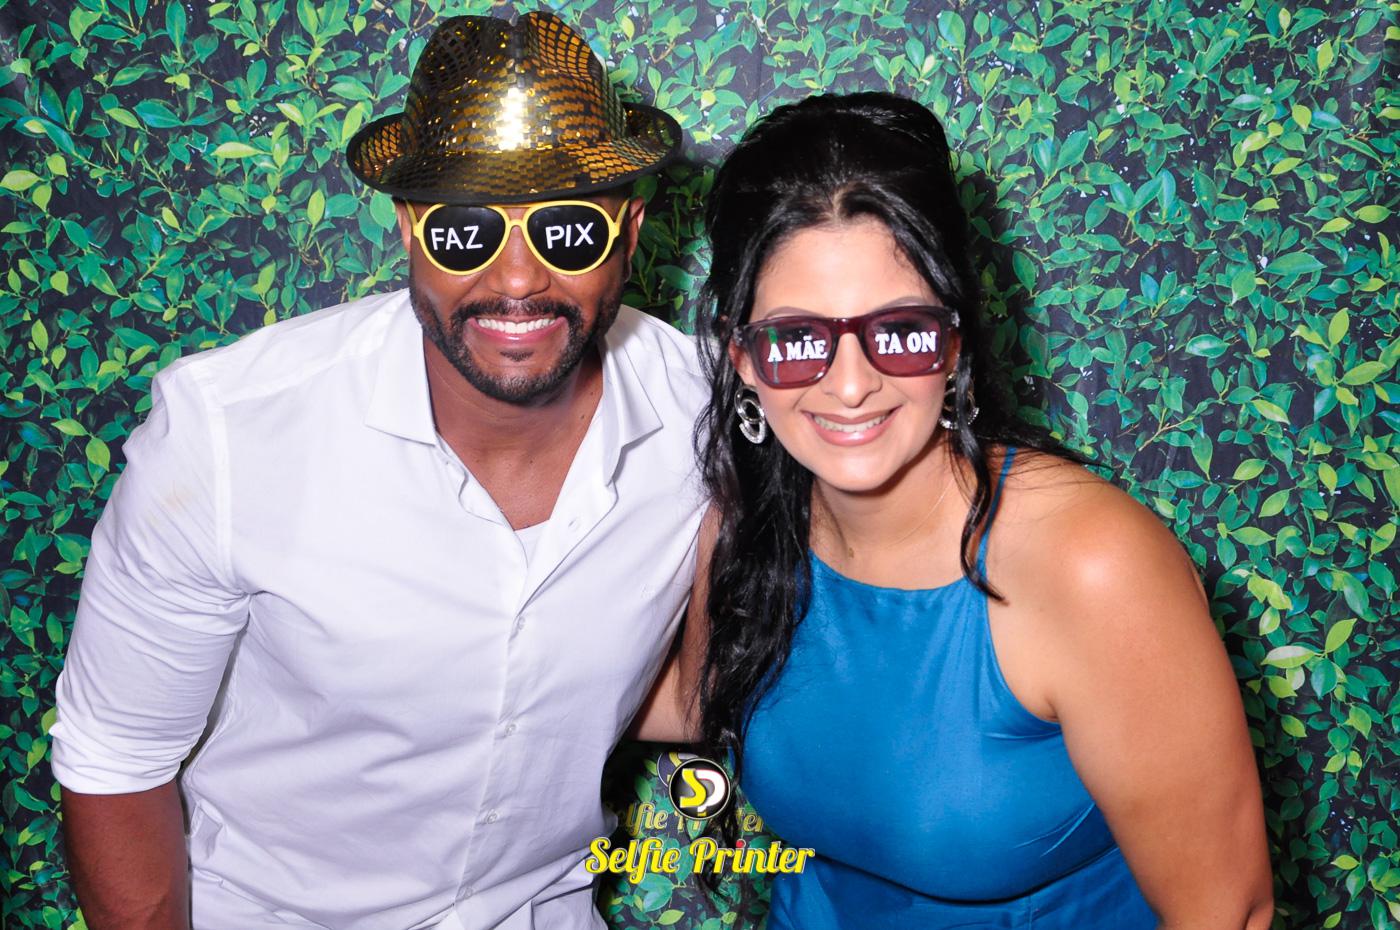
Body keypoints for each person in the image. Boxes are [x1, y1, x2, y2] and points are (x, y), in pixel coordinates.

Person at [51, 12, 706, 930]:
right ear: (407, 230)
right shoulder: (230, 434)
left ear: (629, 232)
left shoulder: (706, 422)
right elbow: (116, 762)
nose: (518, 280)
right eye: (466, 232)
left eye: (567, 231)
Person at [634, 92, 1274, 928]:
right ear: (742, 355)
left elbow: (1227, 913)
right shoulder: (749, 529)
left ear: (956, 337)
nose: (851, 384)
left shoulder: (1091, 564)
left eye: (899, 330)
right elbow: (695, 698)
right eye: (798, 339)